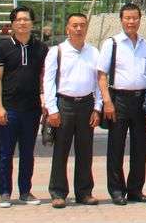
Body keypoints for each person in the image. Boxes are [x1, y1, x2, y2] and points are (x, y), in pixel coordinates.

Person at [43, 12, 103, 208]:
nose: (79, 29)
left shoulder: (94, 52)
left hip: (86, 105)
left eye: (82, 25)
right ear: (67, 28)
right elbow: (48, 81)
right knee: (61, 150)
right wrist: (52, 109)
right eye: (74, 25)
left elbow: (99, 82)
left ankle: (84, 192)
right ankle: (58, 192)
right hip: (64, 105)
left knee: (85, 151)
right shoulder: (57, 51)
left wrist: (97, 107)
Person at [98, 3, 146, 205]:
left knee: (140, 147)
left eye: (135, 18)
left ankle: (135, 190)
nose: (131, 22)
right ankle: (116, 190)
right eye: (127, 18)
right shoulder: (111, 44)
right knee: (116, 146)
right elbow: (102, 75)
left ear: (140, 19)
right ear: (121, 20)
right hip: (118, 100)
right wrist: (107, 101)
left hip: (140, 100)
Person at [0, 5, 47, 207]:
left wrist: (45, 101)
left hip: (31, 109)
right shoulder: (3, 48)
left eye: (26, 19)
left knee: (27, 153)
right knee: (6, 153)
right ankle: (5, 192)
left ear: (32, 23)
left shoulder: (41, 48)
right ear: (12, 24)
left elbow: (44, 77)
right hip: (9, 108)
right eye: (18, 20)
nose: (22, 23)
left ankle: (25, 191)